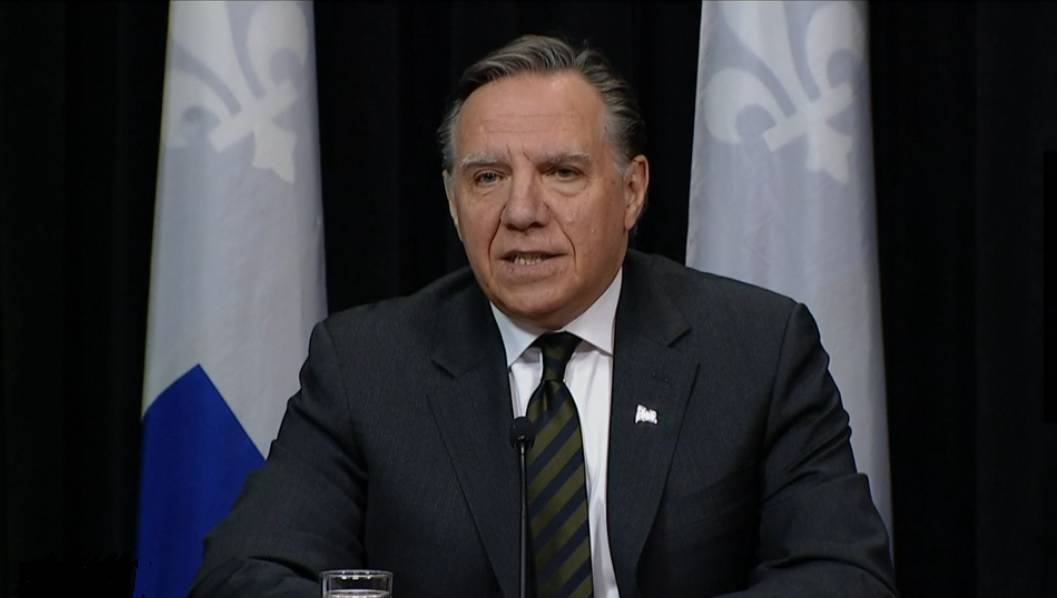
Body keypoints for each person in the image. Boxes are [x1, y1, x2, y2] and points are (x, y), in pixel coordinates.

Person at [192, 35, 897, 597]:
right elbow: (242, 575)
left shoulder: (755, 348)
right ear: (452, 202)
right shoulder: (366, 365)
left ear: (631, 191)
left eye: (562, 172)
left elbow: (843, 576)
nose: (522, 211)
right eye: (488, 177)